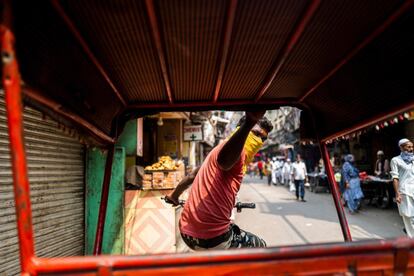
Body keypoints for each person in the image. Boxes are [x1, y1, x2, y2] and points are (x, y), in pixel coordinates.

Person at [177, 111, 273, 250]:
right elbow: (225, 162)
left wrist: (174, 196)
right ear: (240, 130)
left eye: (262, 139)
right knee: (261, 246)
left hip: (187, 234)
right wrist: (249, 123)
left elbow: (192, 176)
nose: (258, 141)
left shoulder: (216, 149)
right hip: (213, 239)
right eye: (256, 134)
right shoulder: (236, 152)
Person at [390, 138, 414, 237]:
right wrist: (397, 193)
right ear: (401, 147)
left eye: (412, 147)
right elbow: (395, 177)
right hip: (405, 191)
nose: (411, 149)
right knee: (409, 216)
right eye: (408, 147)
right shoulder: (396, 160)